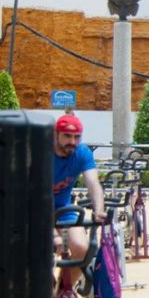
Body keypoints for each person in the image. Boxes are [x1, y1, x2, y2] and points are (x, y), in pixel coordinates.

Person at [51, 115, 106, 273]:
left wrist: (99, 210)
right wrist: (54, 234)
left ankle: (63, 291)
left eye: (77, 137)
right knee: (46, 251)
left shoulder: (82, 152)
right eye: (67, 136)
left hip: (62, 209)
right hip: (34, 209)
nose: (72, 142)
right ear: (56, 134)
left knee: (82, 249)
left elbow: (93, 183)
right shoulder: (43, 152)